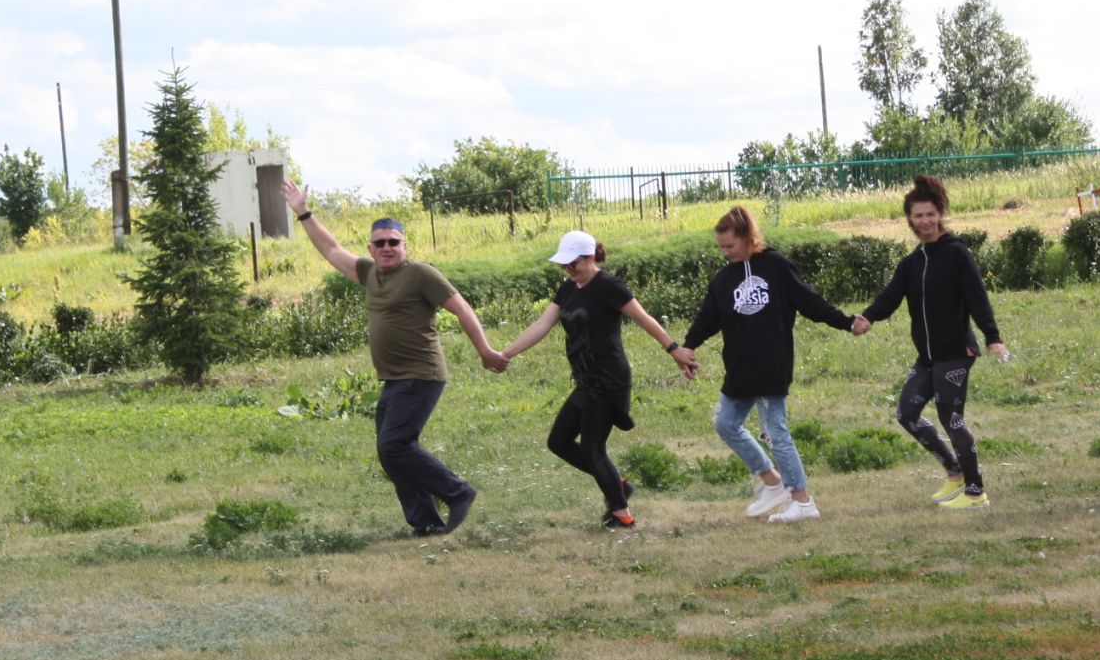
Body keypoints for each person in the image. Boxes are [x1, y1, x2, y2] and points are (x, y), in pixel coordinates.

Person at [283, 180, 506, 537]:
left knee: (395, 444)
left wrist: (485, 351)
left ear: (405, 246)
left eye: (394, 242)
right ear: (371, 248)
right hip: (393, 378)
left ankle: (457, 491)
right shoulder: (370, 273)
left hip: (422, 374)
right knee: (390, 452)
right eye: (381, 243)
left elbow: (460, 307)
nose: (387, 248)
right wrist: (304, 212)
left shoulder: (420, 274)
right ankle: (426, 522)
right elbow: (331, 249)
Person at [499, 232, 694, 528]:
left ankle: (621, 513)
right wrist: (506, 354)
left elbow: (643, 318)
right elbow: (542, 324)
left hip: (608, 378)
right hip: (586, 379)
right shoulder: (568, 288)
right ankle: (618, 485)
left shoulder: (609, 286)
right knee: (559, 441)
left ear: (590, 257)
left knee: (593, 448)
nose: (569, 270)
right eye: (564, 265)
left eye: (573, 264)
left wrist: (674, 349)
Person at [678, 205, 855, 523]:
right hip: (740, 368)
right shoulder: (723, 280)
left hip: (771, 363)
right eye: (721, 247)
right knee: (725, 424)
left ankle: (802, 501)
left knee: (776, 431)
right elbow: (708, 318)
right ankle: (772, 481)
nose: (725, 253)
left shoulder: (775, 266)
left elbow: (809, 301)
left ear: (748, 237)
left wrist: (846, 322)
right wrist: (688, 347)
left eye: (730, 246)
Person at [851, 175, 1008, 510]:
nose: (924, 221)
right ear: (910, 219)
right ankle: (954, 471)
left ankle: (976, 492)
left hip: (956, 353)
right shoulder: (912, 263)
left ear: (940, 214)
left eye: (930, 214)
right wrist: (866, 318)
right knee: (907, 413)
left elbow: (977, 298)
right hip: (928, 357)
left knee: (951, 418)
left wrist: (992, 337)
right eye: (918, 215)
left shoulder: (957, 254)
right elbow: (890, 297)